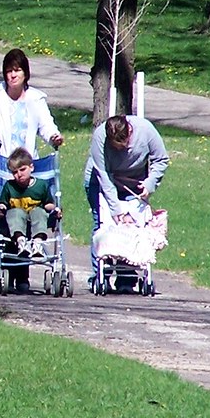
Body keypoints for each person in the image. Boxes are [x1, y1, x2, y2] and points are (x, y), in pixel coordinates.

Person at [0, 48, 64, 292]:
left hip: (28, 165)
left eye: (17, 70)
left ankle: (21, 275)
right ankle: (14, 272)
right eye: (9, 71)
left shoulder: (35, 99)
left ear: (25, 73)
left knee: (30, 211)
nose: (13, 75)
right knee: (9, 213)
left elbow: (46, 125)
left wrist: (53, 137)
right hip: (4, 165)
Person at [83, 114, 169, 289]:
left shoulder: (146, 130)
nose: (121, 149)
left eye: (124, 144)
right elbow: (104, 176)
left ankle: (126, 278)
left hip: (134, 182)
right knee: (103, 224)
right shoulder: (100, 137)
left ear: (129, 131)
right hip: (102, 180)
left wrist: (150, 184)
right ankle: (101, 275)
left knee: (133, 227)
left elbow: (161, 159)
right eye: (116, 146)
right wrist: (116, 210)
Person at [0, 147, 61, 293]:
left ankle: (37, 244)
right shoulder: (9, 186)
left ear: (31, 167)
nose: (19, 175)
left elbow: (48, 203)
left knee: (39, 211)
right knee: (15, 212)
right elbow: (3, 203)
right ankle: (21, 243)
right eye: (14, 172)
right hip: (15, 227)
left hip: (34, 223)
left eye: (22, 170)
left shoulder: (40, 185)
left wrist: (54, 209)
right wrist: (0, 208)